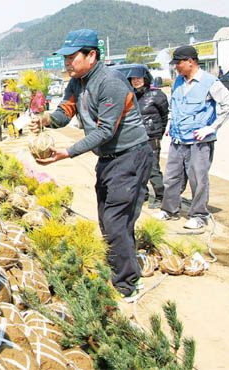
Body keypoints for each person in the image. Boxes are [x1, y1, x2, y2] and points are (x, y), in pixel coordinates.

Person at [27, 29, 152, 302]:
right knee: (108, 219)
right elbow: (65, 113)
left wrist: (67, 152)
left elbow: (106, 130)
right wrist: (46, 119)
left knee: (116, 221)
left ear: (91, 55)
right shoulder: (77, 83)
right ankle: (123, 267)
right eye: (65, 58)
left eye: (72, 57)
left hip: (130, 156)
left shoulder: (110, 82)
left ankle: (126, 285)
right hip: (107, 159)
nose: (67, 63)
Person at [153, 46, 229, 229]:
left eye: (178, 63)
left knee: (198, 178)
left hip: (199, 141)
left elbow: (228, 104)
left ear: (190, 61)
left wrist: (211, 128)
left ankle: (199, 215)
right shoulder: (178, 81)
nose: (176, 67)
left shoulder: (210, 82)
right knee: (172, 177)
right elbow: (176, 106)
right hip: (178, 139)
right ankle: (169, 210)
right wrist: (171, 125)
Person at [128, 69, 169, 209]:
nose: (136, 81)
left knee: (152, 168)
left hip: (151, 136)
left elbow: (164, 116)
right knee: (137, 167)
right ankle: (142, 194)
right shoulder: (130, 95)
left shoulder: (157, 94)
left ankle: (160, 196)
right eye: (133, 79)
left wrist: (158, 133)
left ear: (145, 78)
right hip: (135, 137)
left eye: (139, 78)